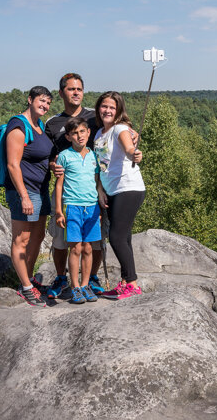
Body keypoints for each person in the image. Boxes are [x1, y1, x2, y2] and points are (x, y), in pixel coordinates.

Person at [43, 73, 106, 298]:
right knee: (62, 239)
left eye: (79, 89)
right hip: (67, 191)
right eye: (71, 89)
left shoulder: (94, 116)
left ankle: (91, 279)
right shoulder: (53, 123)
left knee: (93, 241)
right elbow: (46, 153)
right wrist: (52, 165)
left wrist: (132, 134)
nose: (76, 93)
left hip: (92, 190)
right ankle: (62, 278)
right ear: (61, 93)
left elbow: (115, 127)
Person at [4, 86, 54, 306]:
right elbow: (13, 165)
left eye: (48, 103)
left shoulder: (39, 125)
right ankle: (25, 287)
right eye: (41, 101)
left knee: (38, 236)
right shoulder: (18, 125)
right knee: (22, 239)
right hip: (24, 191)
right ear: (30, 99)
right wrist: (23, 196)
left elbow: (40, 156)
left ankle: (30, 279)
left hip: (41, 190)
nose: (44, 105)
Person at [93, 91, 145, 300]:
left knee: (115, 236)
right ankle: (125, 282)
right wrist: (100, 190)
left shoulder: (120, 129)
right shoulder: (98, 134)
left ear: (118, 111)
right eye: (104, 106)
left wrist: (134, 153)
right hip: (111, 190)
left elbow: (129, 147)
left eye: (112, 108)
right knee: (125, 237)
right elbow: (101, 165)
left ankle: (131, 283)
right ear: (99, 108)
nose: (107, 110)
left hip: (128, 188)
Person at [53, 116, 102, 304]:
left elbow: (97, 182)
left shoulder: (93, 156)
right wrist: (58, 211)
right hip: (72, 206)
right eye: (75, 133)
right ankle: (74, 287)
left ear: (88, 133)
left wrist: (100, 202)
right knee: (75, 248)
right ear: (68, 137)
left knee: (88, 248)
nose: (79, 136)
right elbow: (59, 185)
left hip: (91, 207)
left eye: (83, 131)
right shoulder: (65, 156)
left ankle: (85, 284)